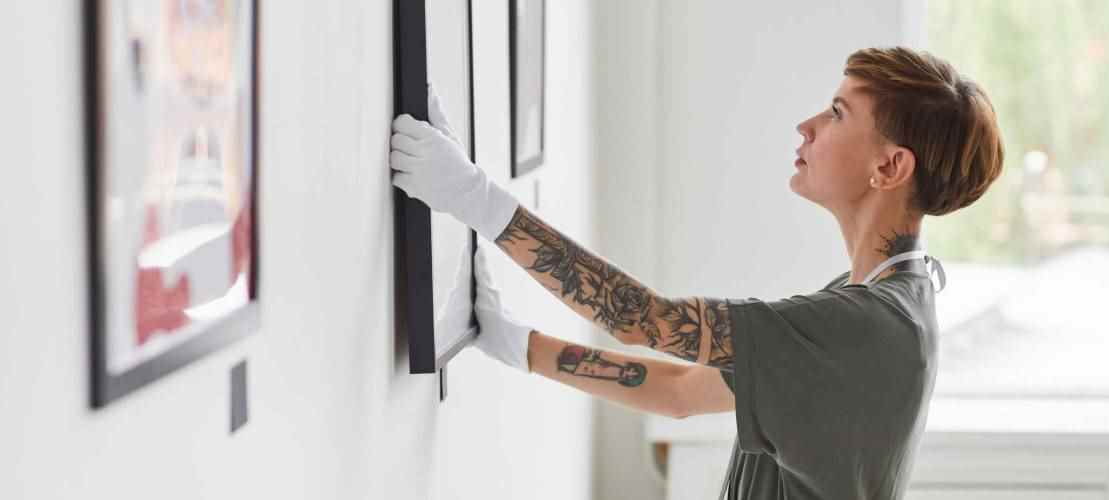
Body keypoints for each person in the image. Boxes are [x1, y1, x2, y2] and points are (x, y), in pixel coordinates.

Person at [390, 46, 1004, 499]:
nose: (807, 126)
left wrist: (477, 199)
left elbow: (644, 319)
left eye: (838, 114)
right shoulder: (885, 297)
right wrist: (517, 344)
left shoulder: (865, 328)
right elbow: (682, 393)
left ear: (890, 167)